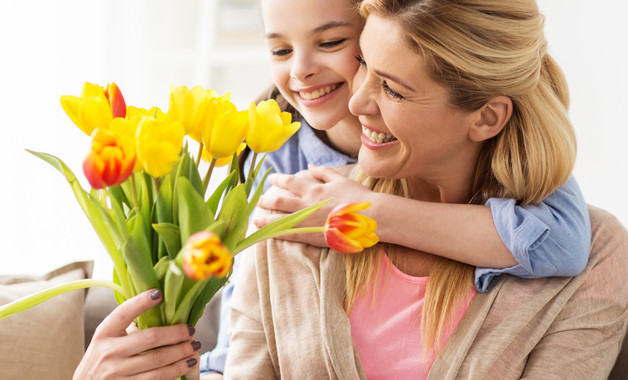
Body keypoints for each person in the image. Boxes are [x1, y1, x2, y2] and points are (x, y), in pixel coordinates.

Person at [224, 0, 628, 378]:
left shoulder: (595, 248)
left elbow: (558, 242)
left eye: (394, 89)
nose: (355, 103)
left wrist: (366, 212)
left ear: (487, 117)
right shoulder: (300, 203)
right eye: (363, 63)